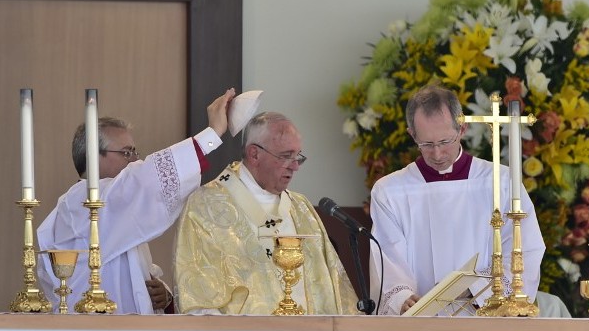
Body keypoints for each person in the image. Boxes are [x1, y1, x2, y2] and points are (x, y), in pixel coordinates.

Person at [37, 88, 236, 314]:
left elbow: (132, 272)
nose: (135, 160)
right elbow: (144, 180)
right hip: (94, 327)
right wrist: (211, 134)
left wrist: (162, 293)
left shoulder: (116, 205)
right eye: (126, 152)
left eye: (135, 152)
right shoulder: (83, 201)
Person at [369, 85, 546, 315]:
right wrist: (401, 298)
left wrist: (476, 292)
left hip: (485, 318)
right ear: (412, 134)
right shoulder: (390, 191)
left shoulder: (501, 182)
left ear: (463, 129)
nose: (437, 154)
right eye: (427, 144)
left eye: (444, 142)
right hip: (421, 322)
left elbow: (524, 250)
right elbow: (387, 258)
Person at [173, 111, 359, 315]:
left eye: (298, 156)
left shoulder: (301, 207)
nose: (295, 166)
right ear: (254, 154)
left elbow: (337, 290)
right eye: (286, 156)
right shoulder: (206, 205)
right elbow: (199, 297)